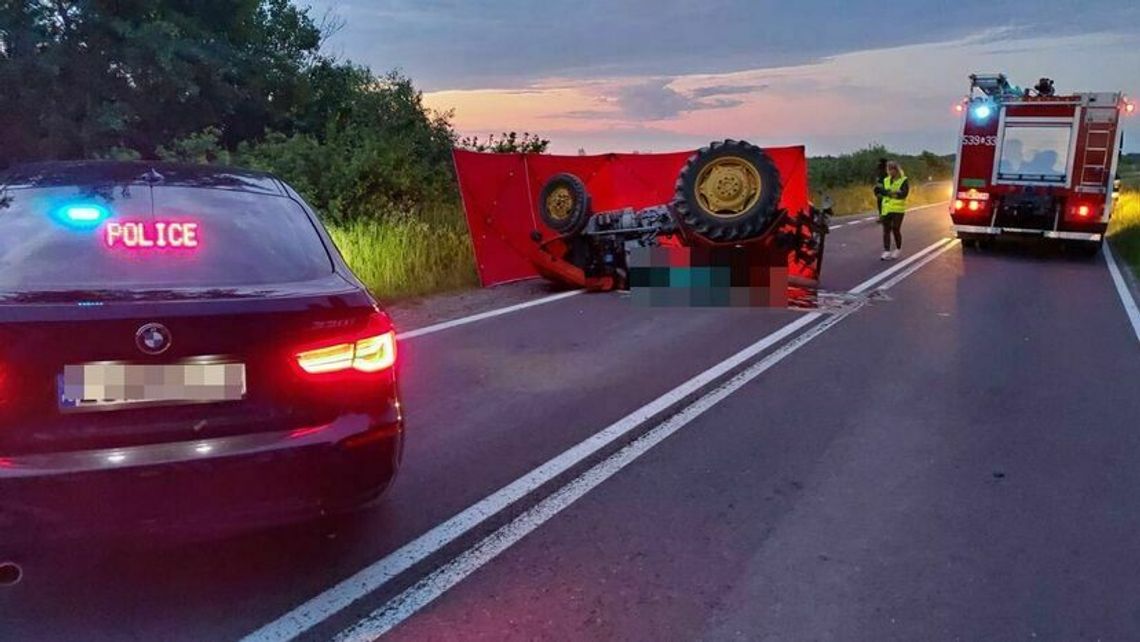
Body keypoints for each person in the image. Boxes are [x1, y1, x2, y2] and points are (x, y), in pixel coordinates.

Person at [874, 160, 909, 260]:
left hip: (898, 209)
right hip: (887, 208)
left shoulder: (903, 180)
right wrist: (888, 193)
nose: (890, 171)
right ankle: (886, 251)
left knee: (896, 228)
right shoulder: (886, 180)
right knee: (886, 230)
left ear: (896, 169)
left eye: (892, 169)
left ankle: (898, 249)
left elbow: (904, 194)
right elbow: (879, 191)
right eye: (888, 169)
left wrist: (890, 193)